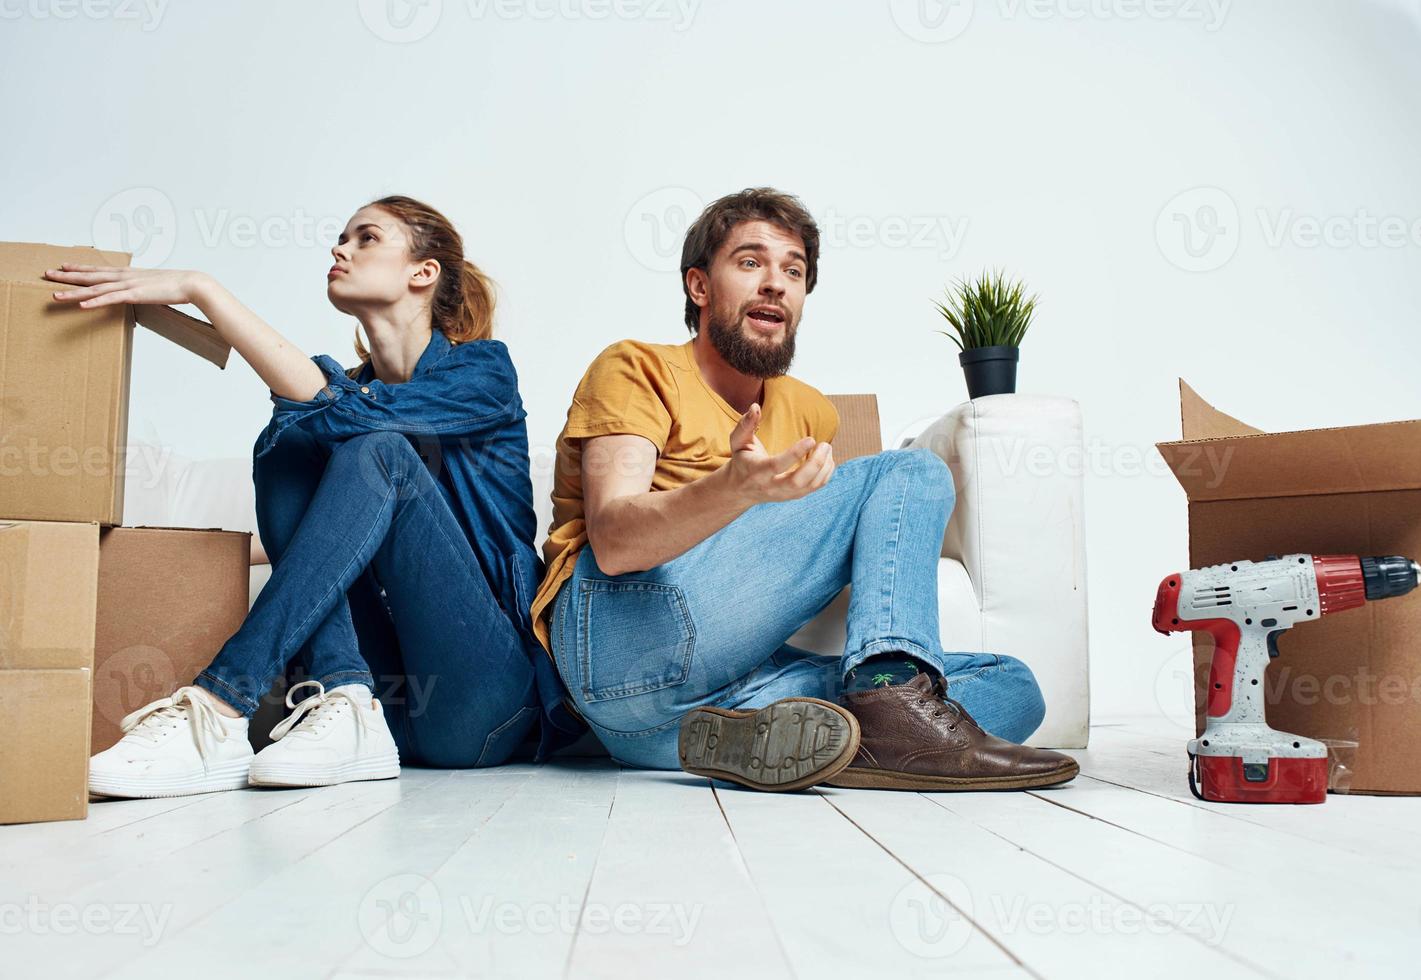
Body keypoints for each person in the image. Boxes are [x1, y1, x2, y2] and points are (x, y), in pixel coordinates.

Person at [530, 187, 1078, 792]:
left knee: (1014, 684)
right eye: (750, 262)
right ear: (699, 287)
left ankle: (778, 737)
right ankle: (888, 704)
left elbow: (788, 570)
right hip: (616, 642)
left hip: (680, 711)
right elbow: (613, 543)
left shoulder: (808, 412)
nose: (776, 283)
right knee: (912, 471)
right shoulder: (637, 367)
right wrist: (735, 487)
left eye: (793, 271)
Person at [48, 196, 575, 798]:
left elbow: (344, 416)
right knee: (287, 449)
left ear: (422, 272)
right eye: (341, 237)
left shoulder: (483, 372)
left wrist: (202, 289)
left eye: (366, 238)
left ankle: (220, 704)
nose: (340, 249)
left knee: (369, 445)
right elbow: (325, 461)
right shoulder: (351, 395)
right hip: (382, 706)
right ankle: (346, 700)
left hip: (481, 699)